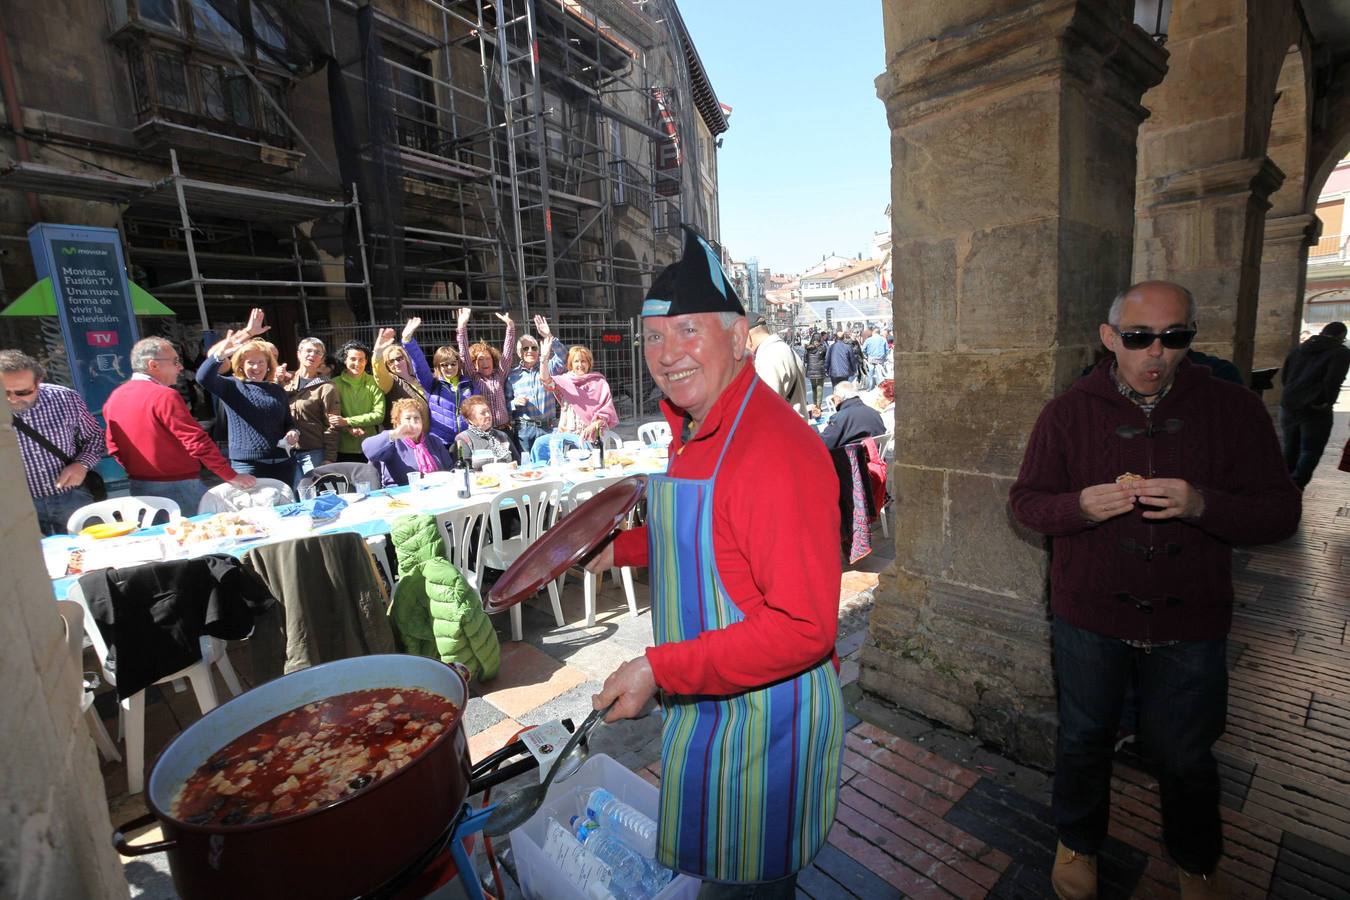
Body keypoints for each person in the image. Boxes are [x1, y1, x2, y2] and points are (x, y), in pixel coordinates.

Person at [1009, 281, 1301, 900]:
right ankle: (1078, 841)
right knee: (1085, 738)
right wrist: (1079, 507)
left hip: (1190, 619)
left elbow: (1280, 513)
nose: (1156, 354)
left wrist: (1202, 504)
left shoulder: (1234, 410)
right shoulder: (1066, 414)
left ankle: (1196, 859)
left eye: (1175, 338)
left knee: (1187, 755)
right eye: (1139, 338)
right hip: (1088, 614)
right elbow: (1027, 504)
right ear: (1110, 338)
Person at [587, 226, 843, 898]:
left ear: (738, 337)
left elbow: (802, 628)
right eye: (653, 337)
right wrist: (617, 548)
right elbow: (710, 537)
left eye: (689, 331)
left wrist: (655, 667)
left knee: (748, 884)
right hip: (713, 708)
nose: (667, 354)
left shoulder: (773, 450)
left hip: (766, 726)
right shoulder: (697, 424)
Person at [105, 337, 256, 515]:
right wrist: (231, 475)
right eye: (175, 361)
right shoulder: (164, 396)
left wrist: (141, 469)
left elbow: (113, 447)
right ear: (153, 365)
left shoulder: (115, 397)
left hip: (140, 487)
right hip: (179, 486)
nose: (180, 367)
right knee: (200, 536)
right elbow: (196, 441)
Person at [1, 350, 105, 535]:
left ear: (38, 382)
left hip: (73, 497)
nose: (12, 399)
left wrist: (81, 464)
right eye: (4, 392)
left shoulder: (65, 399)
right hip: (17, 505)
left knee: (90, 554)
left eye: (22, 392)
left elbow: (95, 438)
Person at [196, 310, 299, 485]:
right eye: (250, 362)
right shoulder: (232, 386)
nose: (256, 367)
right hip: (248, 466)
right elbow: (203, 377)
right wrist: (221, 354)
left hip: (284, 462)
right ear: (241, 366)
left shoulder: (276, 389)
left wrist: (293, 432)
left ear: (268, 366)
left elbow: (288, 422)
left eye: (261, 362)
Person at [1280, 321, 1350, 488]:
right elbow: (1333, 380)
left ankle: (1284, 484)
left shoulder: (1299, 349)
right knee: (1310, 450)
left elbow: (1285, 376)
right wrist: (1326, 401)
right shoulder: (1340, 353)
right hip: (1315, 408)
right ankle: (1297, 484)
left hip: (1290, 404)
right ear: (1341, 336)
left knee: (1290, 445)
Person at [400, 317, 476, 449]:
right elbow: (420, 364)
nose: (450, 368)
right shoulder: (432, 384)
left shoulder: (468, 384)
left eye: (453, 364)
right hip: (441, 443)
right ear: (438, 367)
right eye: (444, 365)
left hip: (467, 440)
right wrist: (408, 341)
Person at [506, 314, 566, 457]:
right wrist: (514, 403)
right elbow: (505, 404)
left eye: (534, 347)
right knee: (528, 467)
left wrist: (549, 336)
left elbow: (564, 357)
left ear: (538, 350)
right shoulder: (512, 376)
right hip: (524, 430)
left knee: (552, 464)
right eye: (525, 349)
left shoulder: (549, 367)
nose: (530, 351)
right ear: (519, 353)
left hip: (548, 427)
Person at [282, 337, 340, 483]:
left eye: (317, 352)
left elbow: (332, 425)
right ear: (299, 354)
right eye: (308, 350)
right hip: (285, 451)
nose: (312, 355)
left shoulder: (327, 387)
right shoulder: (285, 381)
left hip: (313, 453)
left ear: (322, 359)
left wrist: (329, 458)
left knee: (310, 492)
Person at [362, 398, 454, 487]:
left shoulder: (434, 441)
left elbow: (449, 469)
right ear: (398, 423)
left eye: (417, 418)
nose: (412, 423)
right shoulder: (392, 442)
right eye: (408, 418)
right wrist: (394, 434)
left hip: (434, 491)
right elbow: (368, 449)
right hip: (400, 496)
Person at [541, 342, 618, 444]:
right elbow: (545, 380)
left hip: (593, 438)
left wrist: (593, 426)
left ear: (589, 363)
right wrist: (544, 359)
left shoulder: (600, 383)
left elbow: (606, 413)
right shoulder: (564, 381)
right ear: (570, 364)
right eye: (576, 361)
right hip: (567, 437)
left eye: (583, 361)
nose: (580, 365)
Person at [456, 306, 516, 430]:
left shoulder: (499, 375)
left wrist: (510, 327)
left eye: (488, 358)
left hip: (504, 429)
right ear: (474, 364)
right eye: (480, 359)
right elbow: (464, 354)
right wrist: (462, 326)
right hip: (484, 430)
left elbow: (508, 354)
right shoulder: (473, 377)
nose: (485, 362)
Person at [330, 339, 385, 463]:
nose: (357, 363)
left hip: (371, 446)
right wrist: (348, 427)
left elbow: (379, 415)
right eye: (353, 359)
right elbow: (331, 416)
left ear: (366, 361)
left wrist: (347, 421)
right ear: (345, 360)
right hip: (343, 448)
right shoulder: (334, 384)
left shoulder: (374, 382)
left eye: (361, 359)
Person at [745, 317, 808, 416]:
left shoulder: (769, 355)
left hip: (785, 427)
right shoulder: (782, 349)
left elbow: (765, 406)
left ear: (747, 336)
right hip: (793, 425)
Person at [372, 324, 428, 430]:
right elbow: (379, 373)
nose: (396, 363)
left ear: (405, 359)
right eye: (391, 361)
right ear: (386, 365)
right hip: (405, 439)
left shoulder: (418, 379)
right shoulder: (390, 382)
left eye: (399, 358)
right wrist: (378, 353)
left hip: (426, 436)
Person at [815, 381, 886, 451]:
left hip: (850, 460)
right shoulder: (874, 413)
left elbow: (823, 444)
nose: (834, 401)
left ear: (838, 398)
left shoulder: (840, 417)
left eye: (834, 398)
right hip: (874, 457)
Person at [454, 395, 514, 469]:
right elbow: (464, 469)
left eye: (488, 411)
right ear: (470, 419)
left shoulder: (502, 435)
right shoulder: (463, 438)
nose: (488, 415)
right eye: (482, 413)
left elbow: (517, 461)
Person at [804, 332, 828, 406]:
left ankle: (815, 405)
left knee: (813, 388)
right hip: (820, 370)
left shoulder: (808, 349)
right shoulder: (822, 348)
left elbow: (805, 360)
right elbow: (826, 358)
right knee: (819, 388)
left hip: (811, 370)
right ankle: (818, 406)